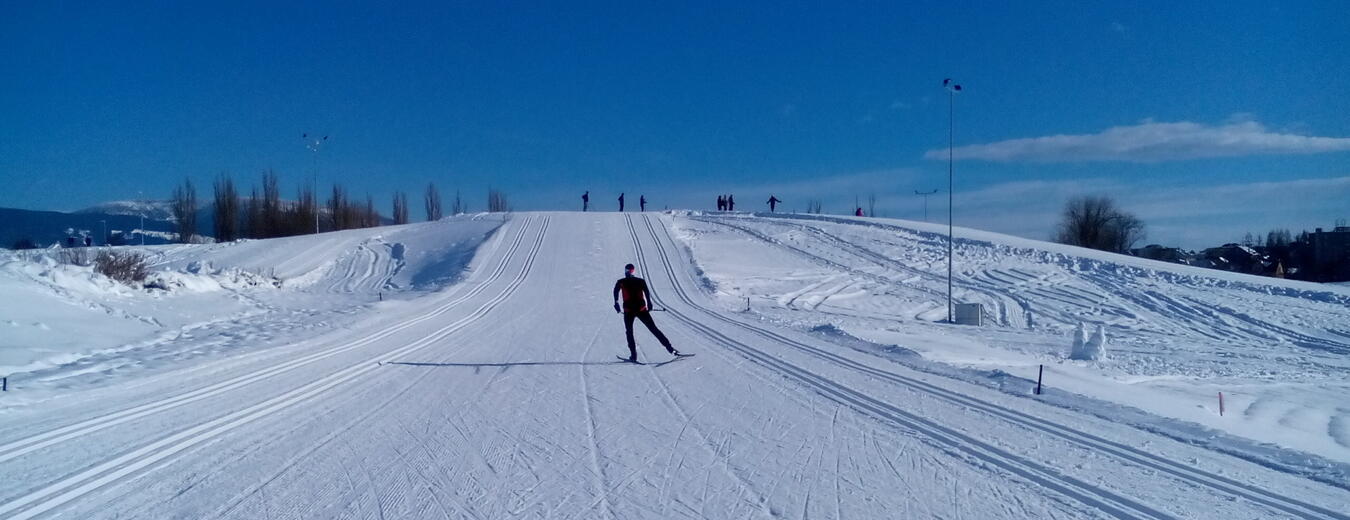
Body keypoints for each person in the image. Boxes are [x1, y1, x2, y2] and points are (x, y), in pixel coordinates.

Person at [613, 263, 679, 361]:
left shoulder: (621, 282)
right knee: (654, 329)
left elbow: (615, 292)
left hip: (629, 311)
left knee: (629, 332)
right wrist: (649, 304)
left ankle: (633, 356)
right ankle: (670, 349)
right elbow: (647, 293)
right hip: (641, 309)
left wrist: (616, 303)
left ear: (626, 271)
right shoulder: (640, 281)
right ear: (633, 271)